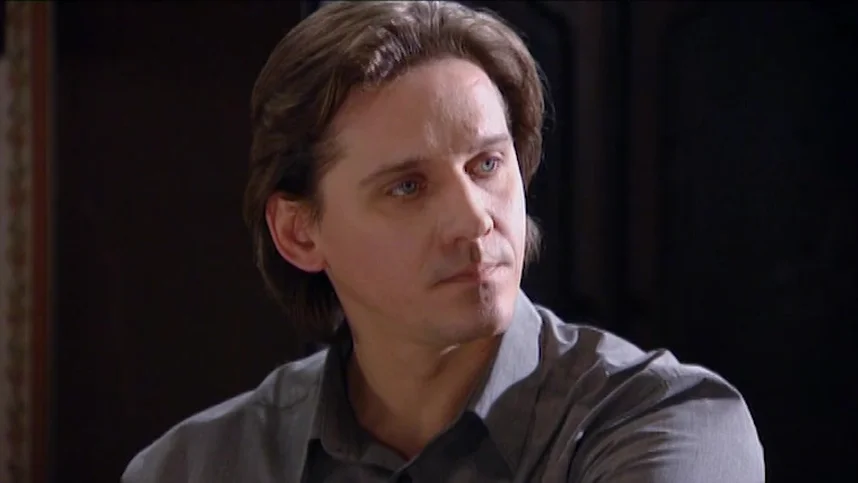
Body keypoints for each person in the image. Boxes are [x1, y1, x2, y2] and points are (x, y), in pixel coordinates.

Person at [122, 1, 764, 482]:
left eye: (487, 165)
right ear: (300, 232)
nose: (474, 218)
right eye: (407, 187)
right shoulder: (193, 466)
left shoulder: (667, 422)